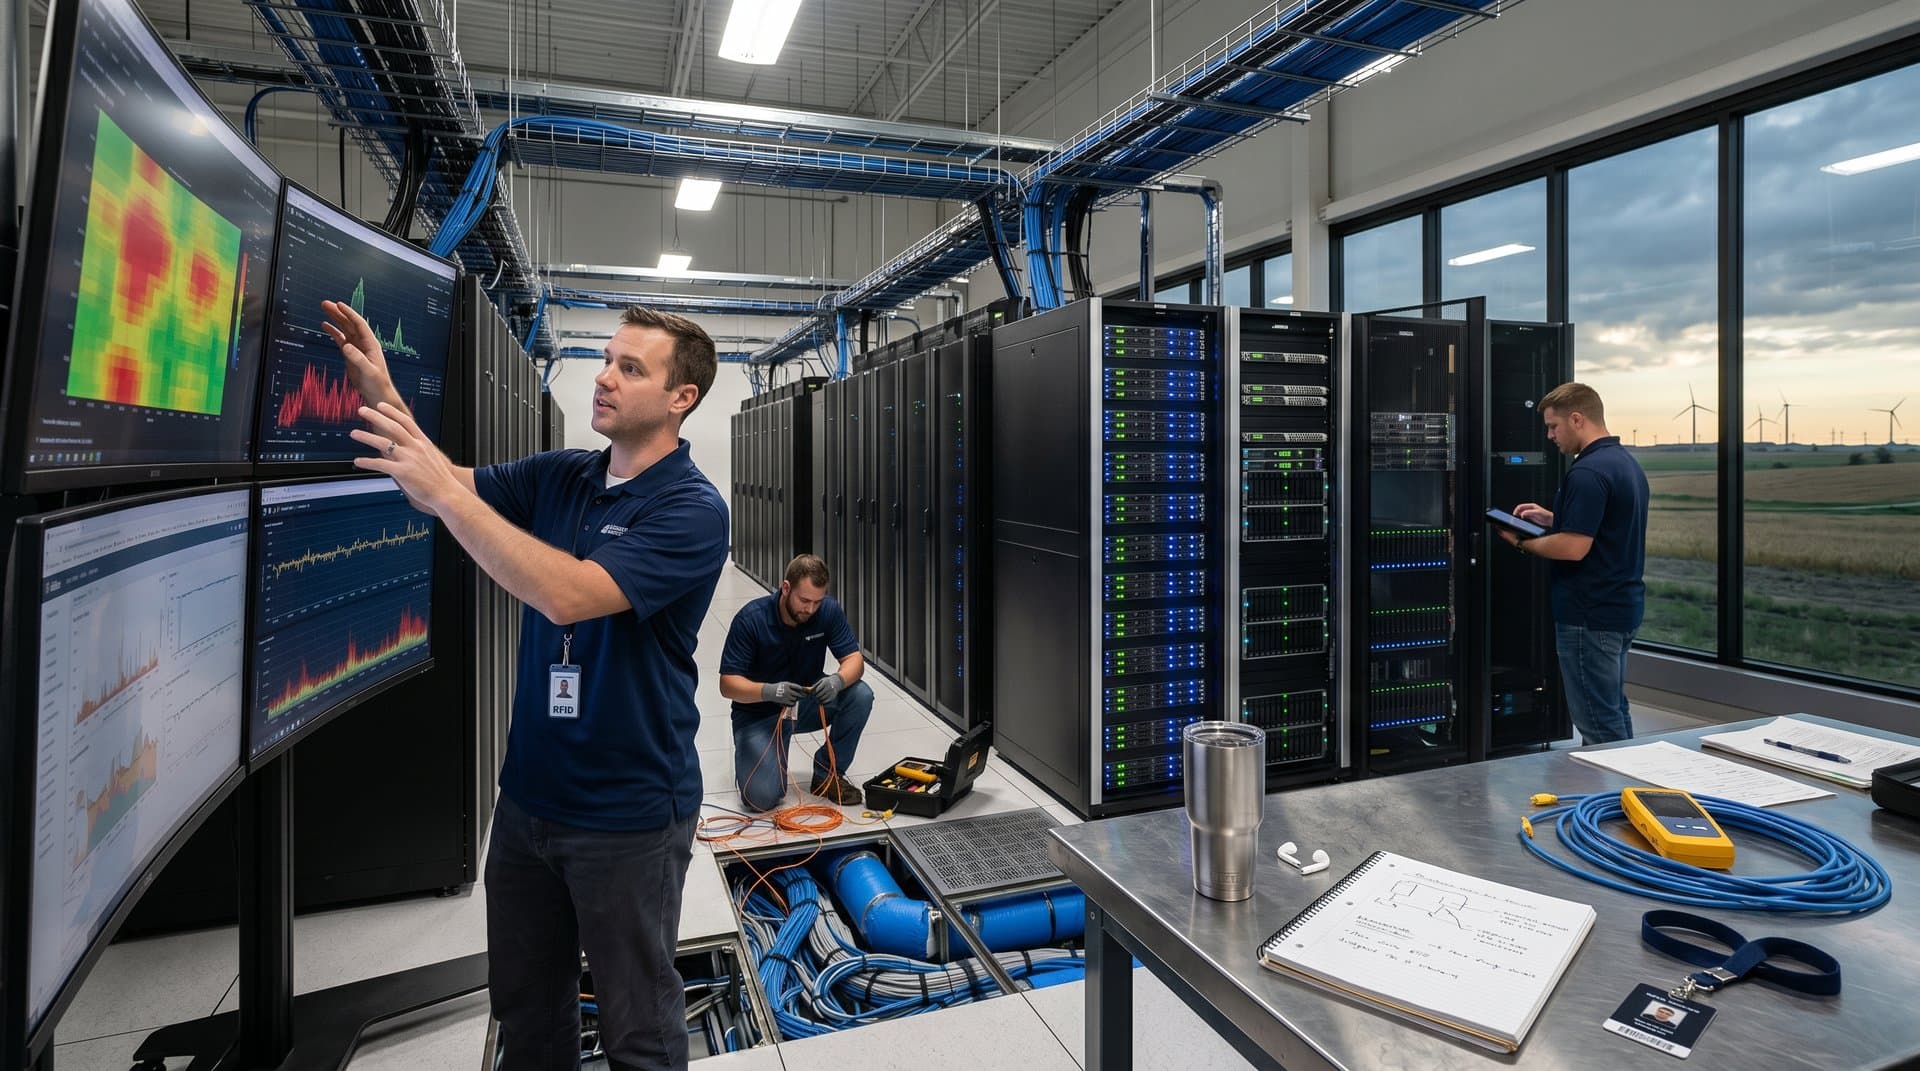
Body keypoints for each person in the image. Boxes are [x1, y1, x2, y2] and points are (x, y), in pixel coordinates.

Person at [325, 298, 728, 1071]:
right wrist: (381, 389)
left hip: (628, 816)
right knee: (526, 1014)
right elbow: (444, 479)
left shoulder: (692, 510)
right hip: (528, 805)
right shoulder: (565, 475)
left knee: (638, 1029)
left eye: (630, 367)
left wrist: (446, 497)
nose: (604, 377)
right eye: (607, 359)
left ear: (682, 398)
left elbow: (570, 592)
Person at [1500, 382, 1649, 745]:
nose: (1550, 435)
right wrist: (1553, 518)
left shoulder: (1586, 473)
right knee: (1613, 710)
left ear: (1578, 419)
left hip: (1588, 615)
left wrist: (1521, 541)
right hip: (1620, 608)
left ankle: (1617, 798)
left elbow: (1573, 548)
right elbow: (1607, 527)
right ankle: (1627, 790)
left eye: (1553, 426)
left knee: (1598, 726)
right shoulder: (1624, 464)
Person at [717, 554, 874, 810]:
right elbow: (728, 684)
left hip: (806, 702)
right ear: (786, 588)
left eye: (817, 602)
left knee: (860, 695)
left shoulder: (828, 611)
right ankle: (759, 759)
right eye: (804, 600)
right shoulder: (751, 620)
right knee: (761, 798)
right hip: (759, 712)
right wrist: (769, 691)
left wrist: (837, 680)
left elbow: (855, 660)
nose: (810, 609)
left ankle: (828, 774)